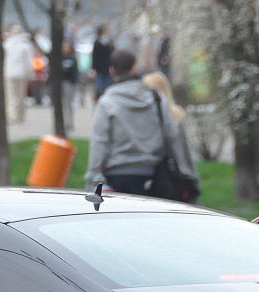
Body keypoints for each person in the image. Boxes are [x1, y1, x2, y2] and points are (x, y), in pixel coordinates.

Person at [84, 50, 196, 198]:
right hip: (154, 176)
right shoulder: (156, 98)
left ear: (112, 71)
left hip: (117, 176)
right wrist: (186, 173)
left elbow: (100, 143)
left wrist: (92, 178)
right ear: (134, 68)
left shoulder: (106, 103)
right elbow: (172, 135)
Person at [3, 25, 34, 125]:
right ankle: (19, 116)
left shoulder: (7, 44)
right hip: (20, 73)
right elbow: (30, 62)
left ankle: (14, 116)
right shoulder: (25, 45)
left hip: (10, 73)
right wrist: (30, 73)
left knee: (12, 96)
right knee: (19, 96)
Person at [60, 39, 79, 132]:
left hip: (69, 83)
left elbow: (75, 72)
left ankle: (69, 123)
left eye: (67, 46)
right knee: (62, 104)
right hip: (61, 82)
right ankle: (62, 123)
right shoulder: (59, 58)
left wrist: (74, 82)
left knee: (68, 104)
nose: (66, 48)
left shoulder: (72, 58)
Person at [91, 26, 113, 99]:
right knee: (99, 87)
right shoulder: (97, 43)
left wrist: (112, 66)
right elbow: (94, 56)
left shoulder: (109, 42)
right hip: (99, 69)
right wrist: (94, 69)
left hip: (108, 68)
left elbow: (112, 55)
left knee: (107, 86)